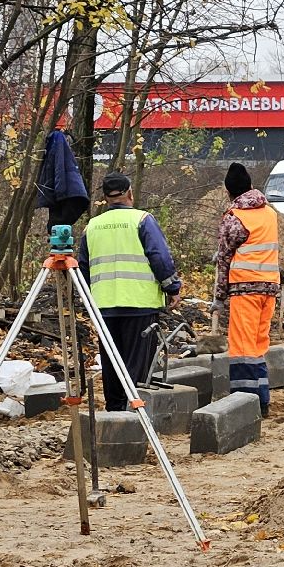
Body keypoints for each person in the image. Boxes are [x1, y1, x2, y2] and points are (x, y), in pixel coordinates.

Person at [78, 173, 181, 411]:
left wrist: (87, 300)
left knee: (111, 360)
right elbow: (159, 257)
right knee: (138, 362)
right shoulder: (143, 220)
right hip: (139, 304)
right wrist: (172, 287)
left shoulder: (92, 226)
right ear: (130, 193)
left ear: (105, 198)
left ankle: (115, 410)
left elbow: (83, 267)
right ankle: (135, 412)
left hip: (104, 306)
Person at [214, 163, 282, 414]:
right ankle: (262, 400)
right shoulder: (270, 213)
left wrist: (219, 298)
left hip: (245, 289)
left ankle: (244, 403)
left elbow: (224, 260)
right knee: (257, 346)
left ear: (229, 192)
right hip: (269, 288)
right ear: (251, 186)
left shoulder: (235, 217)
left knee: (242, 348)